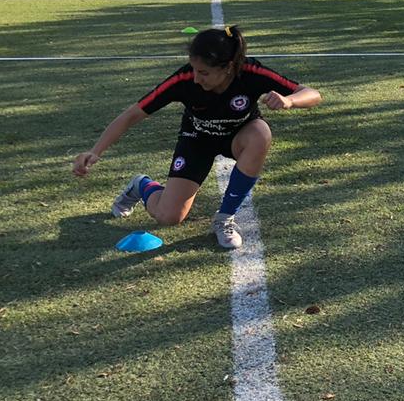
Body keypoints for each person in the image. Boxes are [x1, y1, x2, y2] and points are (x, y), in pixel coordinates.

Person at [72, 26, 321, 249]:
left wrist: (290, 100)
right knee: (169, 217)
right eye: (193, 69)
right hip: (197, 139)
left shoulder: (251, 71)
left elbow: (312, 94)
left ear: (228, 68)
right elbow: (132, 114)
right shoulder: (183, 80)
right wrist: (96, 151)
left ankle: (224, 218)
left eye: (203, 72)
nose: (195, 78)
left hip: (238, 136)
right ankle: (142, 185)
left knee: (261, 133)